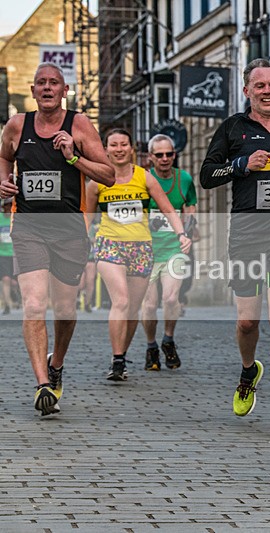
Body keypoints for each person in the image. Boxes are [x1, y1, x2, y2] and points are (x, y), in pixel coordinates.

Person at [200, 58, 270, 430]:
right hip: (247, 235)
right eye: (259, 85)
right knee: (248, 321)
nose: (267, 91)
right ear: (247, 90)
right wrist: (242, 165)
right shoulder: (234, 127)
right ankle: (249, 372)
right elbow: (207, 176)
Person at [0, 62, 115, 416]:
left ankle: (57, 363)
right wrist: (3, 183)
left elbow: (109, 175)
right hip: (29, 227)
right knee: (34, 304)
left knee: (65, 309)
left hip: (69, 230)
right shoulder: (17, 125)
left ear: (65, 91)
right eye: (40, 83)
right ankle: (42, 385)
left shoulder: (78, 124)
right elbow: (3, 157)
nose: (47, 88)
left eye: (54, 83)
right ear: (33, 91)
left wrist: (74, 156)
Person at [86, 128, 191, 381]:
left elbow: (167, 208)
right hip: (109, 244)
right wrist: (79, 244)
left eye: (124, 144)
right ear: (106, 149)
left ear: (131, 148)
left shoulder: (144, 178)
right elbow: (86, 218)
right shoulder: (97, 182)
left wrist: (181, 234)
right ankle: (117, 359)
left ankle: (122, 354)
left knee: (132, 308)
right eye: (114, 145)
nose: (119, 149)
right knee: (120, 301)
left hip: (141, 247)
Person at [140, 134, 198, 371]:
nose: (165, 159)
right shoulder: (143, 179)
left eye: (169, 154)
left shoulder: (184, 179)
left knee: (171, 298)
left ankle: (168, 339)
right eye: (159, 155)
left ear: (174, 155)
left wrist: (189, 237)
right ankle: (151, 345)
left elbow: (191, 210)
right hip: (148, 250)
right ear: (150, 157)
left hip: (174, 248)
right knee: (150, 304)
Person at [0, 199, 14, 315]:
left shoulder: (15, 219)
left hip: (17, 254)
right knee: (6, 279)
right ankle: (7, 305)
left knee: (19, 281)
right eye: (6, 206)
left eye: (10, 206)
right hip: (3, 254)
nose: (8, 209)